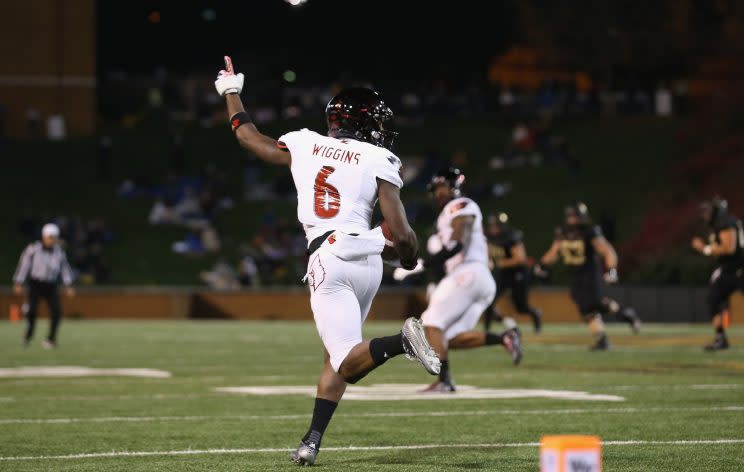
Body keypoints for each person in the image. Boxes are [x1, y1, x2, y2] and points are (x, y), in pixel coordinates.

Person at [214, 57, 440, 466]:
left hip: (329, 254)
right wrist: (408, 258)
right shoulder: (378, 158)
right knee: (338, 357)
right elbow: (400, 231)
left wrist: (231, 91)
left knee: (347, 362)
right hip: (368, 258)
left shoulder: (302, 141)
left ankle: (402, 341)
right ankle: (312, 440)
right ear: (364, 123)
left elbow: (248, 138)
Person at [394, 168, 522, 393]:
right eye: (436, 190)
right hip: (477, 279)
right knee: (449, 337)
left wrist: (428, 262)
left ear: (453, 186)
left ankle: (444, 380)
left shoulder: (461, 205)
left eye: (441, 188)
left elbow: (458, 240)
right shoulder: (447, 214)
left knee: (431, 324)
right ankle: (504, 338)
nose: (438, 194)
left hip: (468, 273)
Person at [535, 202, 641, 350]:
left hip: (590, 272)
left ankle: (625, 315)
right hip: (574, 274)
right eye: (570, 216)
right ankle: (603, 339)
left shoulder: (590, 231)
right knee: (585, 308)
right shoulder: (563, 232)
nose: (572, 219)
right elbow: (555, 251)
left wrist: (611, 271)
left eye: (575, 216)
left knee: (593, 302)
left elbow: (607, 251)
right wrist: (542, 264)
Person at [691, 197, 744, 351]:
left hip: (740, 268)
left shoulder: (725, 222)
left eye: (707, 211)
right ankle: (720, 338)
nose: (705, 215)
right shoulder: (718, 224)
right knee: (713, 299)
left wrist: (705, 249)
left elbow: (729, 248)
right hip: (728, 269)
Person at [13, 223, 75, 348]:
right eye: (50, 237)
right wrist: (19, 281)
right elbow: (24, 265)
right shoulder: (33, 249)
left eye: (54, 237)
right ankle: (28, 336)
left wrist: (68, 285)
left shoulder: (59, 252)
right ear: (44, 236)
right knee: (31, 310)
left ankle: (51, 339)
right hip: (35, 284)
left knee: (56, 311)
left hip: (51, 285)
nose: (52, 240)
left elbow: (65, 269)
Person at [483, 212, 543, 333]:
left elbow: (520, 258)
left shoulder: (511, 237)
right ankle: (486, 330)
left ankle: (535, 314)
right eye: (492, 225)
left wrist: (499, 263)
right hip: (503, 274)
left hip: (518, 273)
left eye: (495, 225)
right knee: (489, 299)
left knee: (521, 307)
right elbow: (488, 251)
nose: (493, 228)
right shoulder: (489, 236)